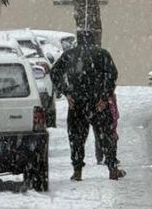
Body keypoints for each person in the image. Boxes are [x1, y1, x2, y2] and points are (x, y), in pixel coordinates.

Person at [51, 29, 125, 181]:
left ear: (78, 40)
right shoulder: (102, 54)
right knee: (106, 136)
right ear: (93, 39)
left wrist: (66, 92)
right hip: (98, 102)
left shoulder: (69, 55)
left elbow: (54, 73)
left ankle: (77, 170)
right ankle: (112, 168)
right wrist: (104, 96)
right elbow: (112, 75)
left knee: (76, 138)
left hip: (77, 102)